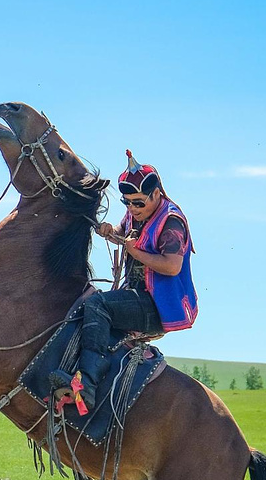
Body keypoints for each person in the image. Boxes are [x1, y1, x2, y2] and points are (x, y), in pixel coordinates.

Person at [53, 150, 198, 408]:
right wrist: (110, 232)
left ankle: (86, 383)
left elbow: (172, 266)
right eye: (127, 202)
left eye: (138, 202)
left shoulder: (172, 221)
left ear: (156, 194)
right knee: (89, 299)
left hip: (156, 307)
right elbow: (124, 233)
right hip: (136, 297)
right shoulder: (137, 213)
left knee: (98, 306)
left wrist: (136, 253)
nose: (132, 208)